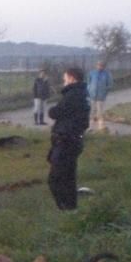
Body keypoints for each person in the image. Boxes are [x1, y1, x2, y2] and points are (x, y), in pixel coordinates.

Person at [46, 66, 90, 211]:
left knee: (55, 179)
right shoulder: (80, 94)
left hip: (66, 142)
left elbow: (55, 112)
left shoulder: (73, 95)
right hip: (72, 141)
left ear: (71, 78)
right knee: (68, 179)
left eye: (65, 78)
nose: (63, 81)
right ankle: (72, 209)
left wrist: (52, 110)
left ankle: (64, 208)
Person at [87, 60, 112, 130]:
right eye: (98, 65)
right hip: (92, 95)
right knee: (91, 111)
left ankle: (101, 127)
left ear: (104, 67)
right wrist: (89, 89)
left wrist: (105, 92)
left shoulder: (107, 74)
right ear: (96, 65)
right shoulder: (92, 73)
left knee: (100, 112)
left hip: (101, 96)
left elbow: (110, 85)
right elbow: (88, 82)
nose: (100, 66)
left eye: (101, 65)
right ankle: (90, 127)